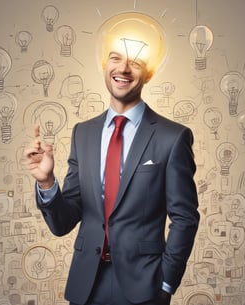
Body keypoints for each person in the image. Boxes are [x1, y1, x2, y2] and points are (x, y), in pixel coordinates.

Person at [24, 13, 200, 305]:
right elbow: (63, 222)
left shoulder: (173, 137)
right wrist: (46, 183)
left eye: (136, 62)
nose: (124, 68)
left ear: (150, 72)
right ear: (105, 65)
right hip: (86, 285)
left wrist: (166, 283)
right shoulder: (83, 133)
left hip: (145, 288)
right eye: (115, 58)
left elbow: (185, 217)